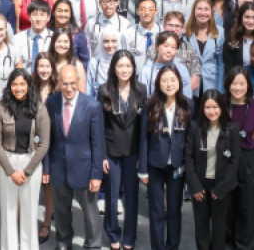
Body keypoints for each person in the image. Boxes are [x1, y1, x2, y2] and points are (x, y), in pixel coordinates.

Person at [45, 63, 106, 249]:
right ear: (58, 83)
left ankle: (93, 245)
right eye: (65, 83)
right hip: (58, 168)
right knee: (61, 210)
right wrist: (46, 168)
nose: (69, 88)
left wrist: (96, 174)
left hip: (84, 170)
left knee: (90, 213)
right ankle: (63, 242)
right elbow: (47, 138)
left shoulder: (92, 106)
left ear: (79, 82)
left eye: (73, 83)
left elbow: (98, 143)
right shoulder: (51, 102)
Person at [0, 69, 52, 250]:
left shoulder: (40, 108)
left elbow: (44, 144)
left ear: (28, 85)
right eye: (14, 84)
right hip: (7, 162)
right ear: (9, 86)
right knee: (8, 211)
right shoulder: (0, 108)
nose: (18, 88)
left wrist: (26, 171)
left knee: (29, 212)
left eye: (22, 84)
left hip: (31, 162)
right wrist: (11, 171)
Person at [138, 65, 192, 250]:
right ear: (158, 83)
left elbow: (191, 138)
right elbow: (143, 139)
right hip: (155, 164)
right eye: (164, 80)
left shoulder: (188, 104)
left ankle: (172, 246)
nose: (169, 84)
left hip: (178, 165)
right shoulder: (150, 105)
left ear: (179, 81)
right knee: (156, 210)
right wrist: (143, 169)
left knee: (175, 210)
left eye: (172, 80)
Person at [97, 50, 145, 250]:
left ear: (133, 68)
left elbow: (143, 128)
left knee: (132, 195)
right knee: (112, 193)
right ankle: (113, 234)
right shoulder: (104, 90)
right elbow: (99, 125)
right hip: (112, 151)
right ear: (113, 68)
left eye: (128, 66)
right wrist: (102, 155)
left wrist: (142, 157)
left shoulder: (141, 90)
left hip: (133, 152)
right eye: (120, 66)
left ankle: (129, 237)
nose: (124, 70)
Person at [185, 89, 240, 250]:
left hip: (221, 184)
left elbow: (234, 162)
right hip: (200, 184)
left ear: (222, 107)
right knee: (201, 223)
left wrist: (222, 188)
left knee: (219, 224)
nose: (212, 111)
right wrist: (194, 186)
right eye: (208, 107)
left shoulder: (232, 130)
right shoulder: (195, 127)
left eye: (215, 107)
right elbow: (188, 157)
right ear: (202, 109)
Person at [223, 67, 254, 250]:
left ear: (248, 85)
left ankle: (245, 244)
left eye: (242, 83)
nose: (238, 88)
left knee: (247, 206)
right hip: (224, 159)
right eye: (234, 83)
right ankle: (227, 242)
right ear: (228, 84)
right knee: (227, 204)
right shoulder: (221, 104)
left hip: (247, 159)